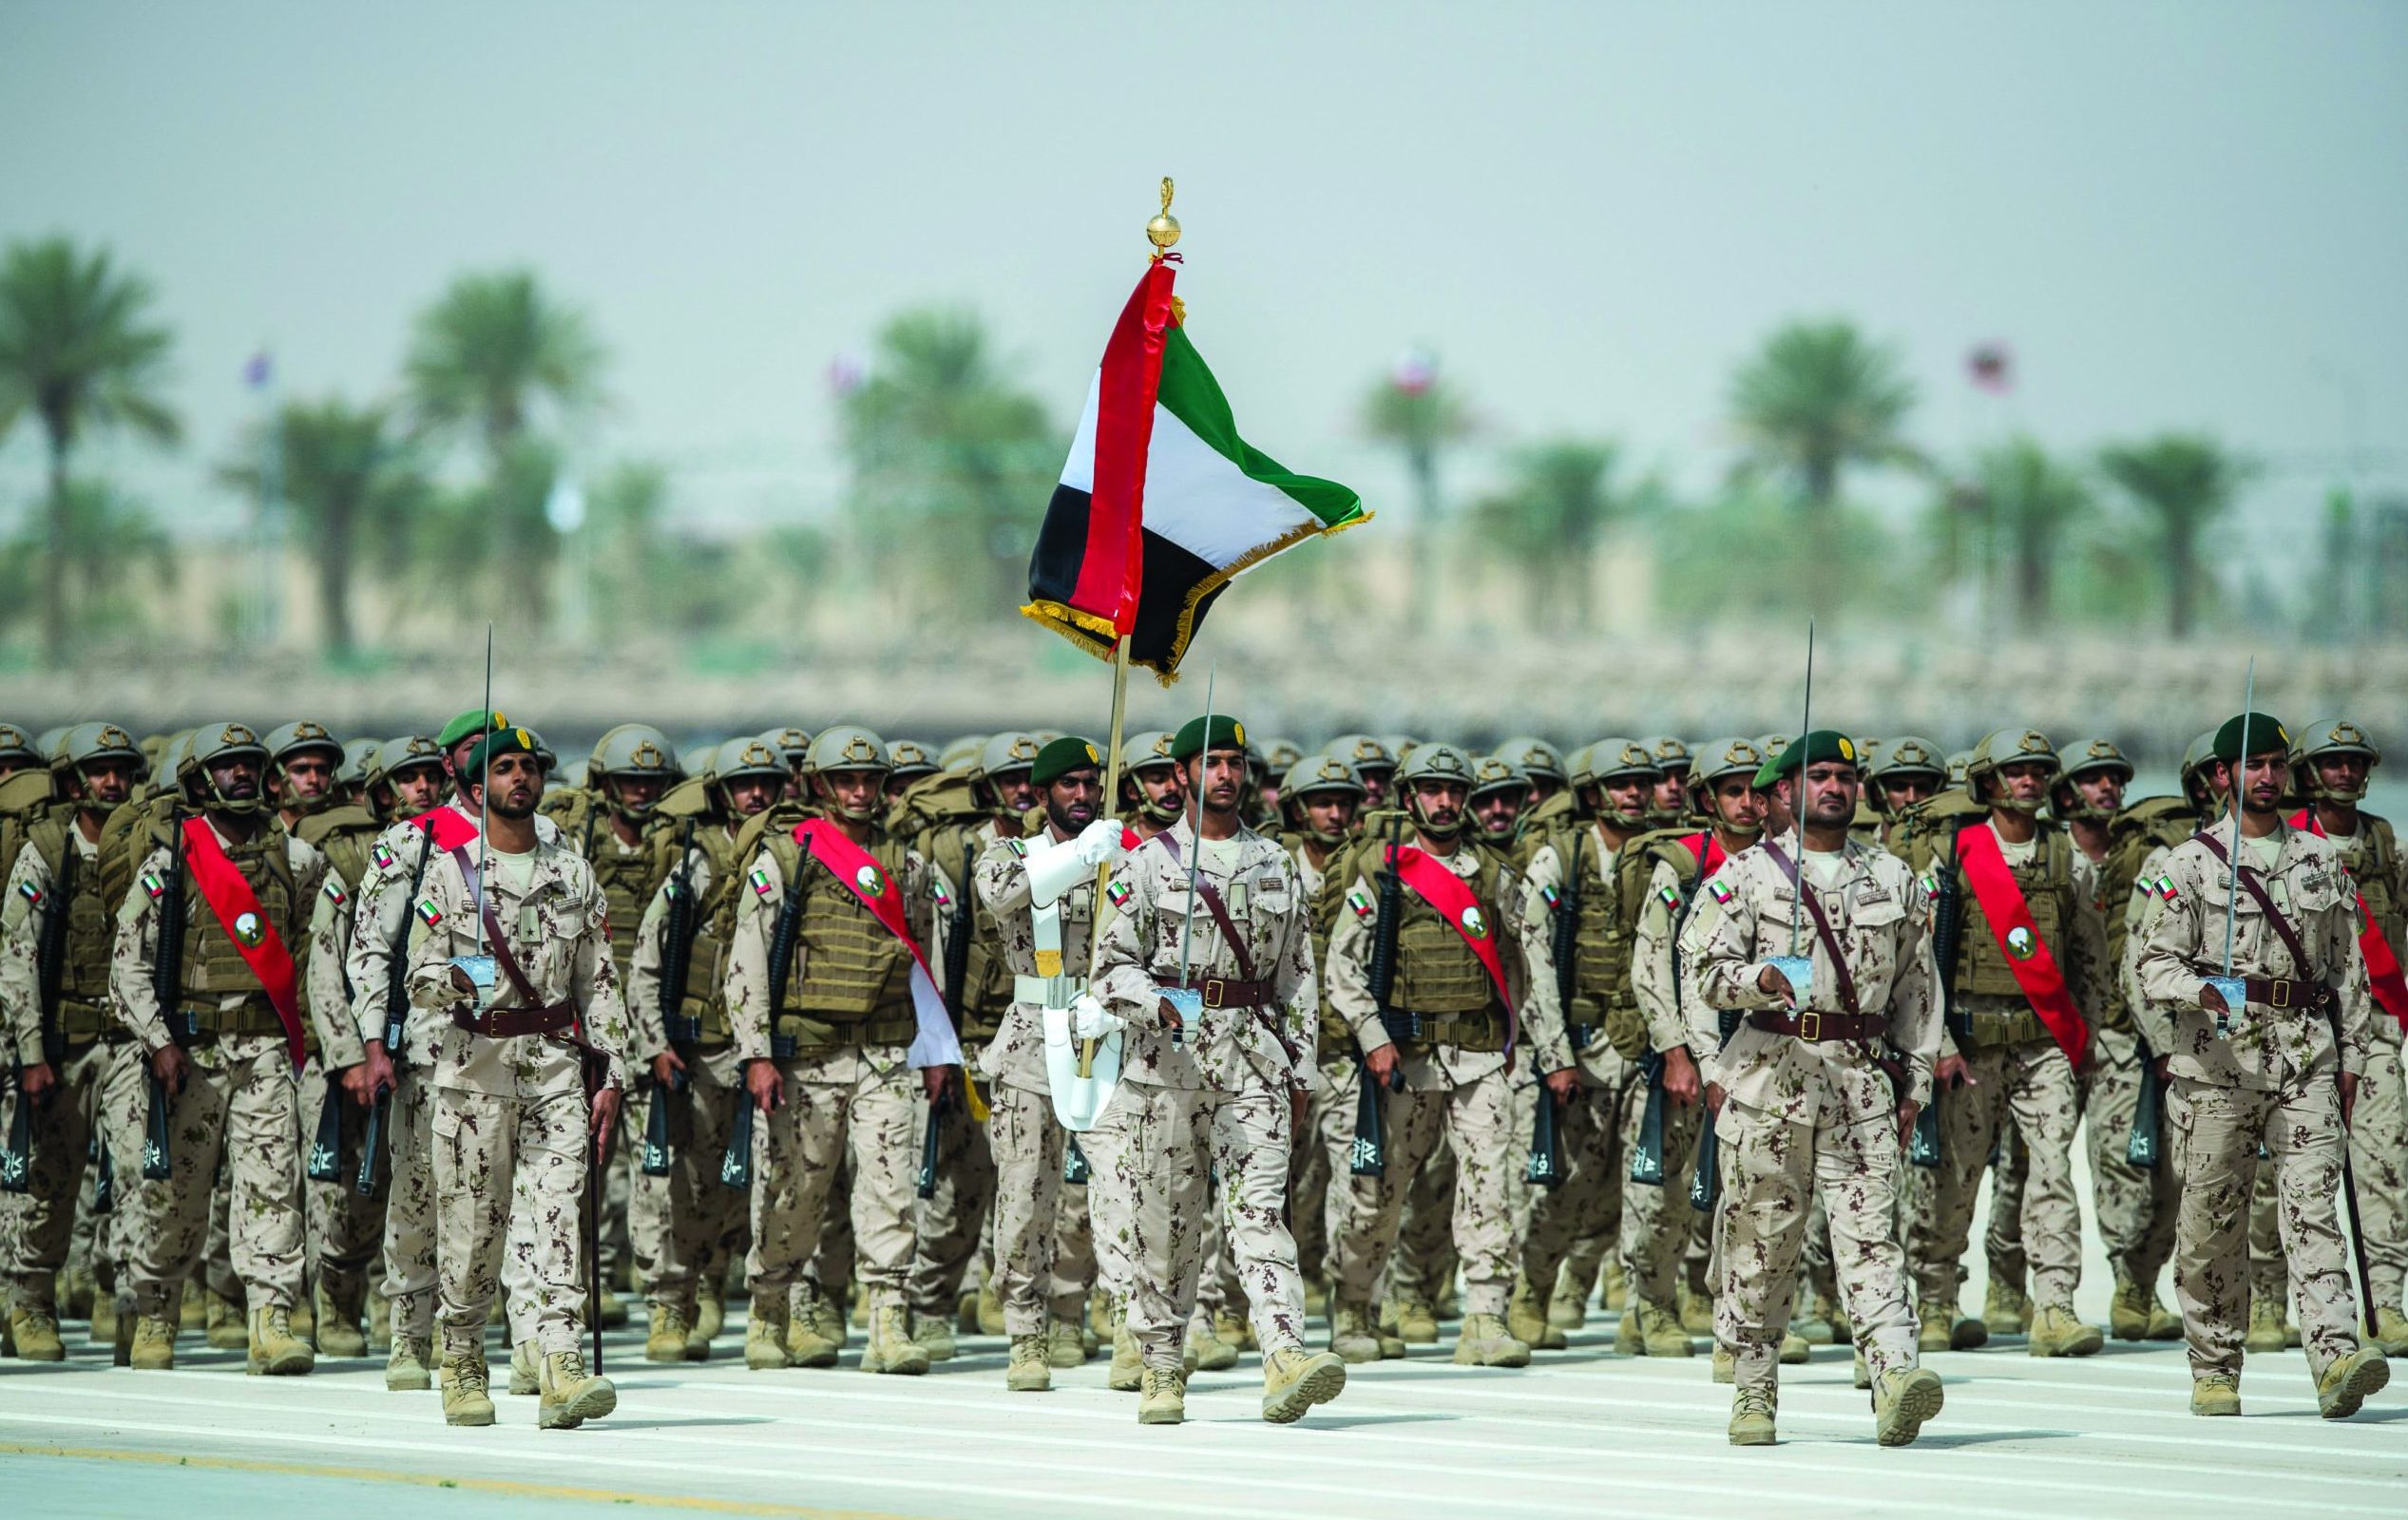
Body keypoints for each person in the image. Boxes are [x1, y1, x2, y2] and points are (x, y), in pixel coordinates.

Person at [1080, 712, 1347, 1426]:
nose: (1225, 774)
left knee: (1261, 1212)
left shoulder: (1275, 863)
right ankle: (1163, 1363)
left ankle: (1285, 1354)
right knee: (1167, 1222)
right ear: (1180, 776)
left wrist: (1300, 1072)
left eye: (1234, 762)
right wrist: (1156, 1002)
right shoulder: (1145, 864)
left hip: (1252, 1057)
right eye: (1210, 762)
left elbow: (1297, 977)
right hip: (1165, 1066)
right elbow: (1108, 971)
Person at [1681, 730, 1944, 1447]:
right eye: (1817, 775)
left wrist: (1915, 1078)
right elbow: (1700, 970)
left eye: (1844, 776)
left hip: (1859, 1083)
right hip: (1768, 1078)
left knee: (1872, 1241)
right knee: (1762, 1245)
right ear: (1783, 793)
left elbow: (1920, 989)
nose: (1834, 787)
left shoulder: (1894, 879)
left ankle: (1895, 1379)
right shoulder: (1743, 878)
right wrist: (1755, 981)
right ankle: (1754, 1391)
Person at [2131, 712, 2390, 1418]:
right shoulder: (2185, 865)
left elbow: (2348, 971)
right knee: (2213, 1220)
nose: (2268, 777)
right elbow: (2153, 963)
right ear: (2223, 777)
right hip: (2218, 1067)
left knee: (2313, 1209)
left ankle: (2336, 1354)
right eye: (2252, 766)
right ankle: (2215, 1367)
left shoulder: (2319, 859)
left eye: (2277, 765)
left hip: (2305, 1057)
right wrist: (2200, 988)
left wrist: (2355, 1056)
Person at [1323, 742, 1577, 1370]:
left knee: (1490, 1187)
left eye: (1453, 791)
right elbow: (1341, 968)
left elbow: (1534, 966)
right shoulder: (1382, 872)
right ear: (1409, 798)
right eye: (1432, 791)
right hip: (1404, 1063)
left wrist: (1553, 1053)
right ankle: (1356, 1305)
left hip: (1481, 1057)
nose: (1444, 802)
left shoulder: (1495, 875)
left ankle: (1486, 1317)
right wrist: (1374, 1038)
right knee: (1379, 1192)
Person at [403, 724, 627, 1428]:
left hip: (556, 1070)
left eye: (528, 768)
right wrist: (461, 980)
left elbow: (600, 980)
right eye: (503, 769)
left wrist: (613, 1070)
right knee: (473, 1229)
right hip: (474, 1074)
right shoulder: (449, 872)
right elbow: (418, 973)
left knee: (559, 1213)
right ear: (476, 790)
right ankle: (463, 1356)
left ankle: (561, 1364)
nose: (519, 779)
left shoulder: (574, 872)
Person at [725, 724, 960, 1377]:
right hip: (808, 1058)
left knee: (890, 1192)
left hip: (886, 1055)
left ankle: (888, 1322)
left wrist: (936, 1050)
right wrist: (756, 1054)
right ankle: (770, 1310)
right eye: (847, 781)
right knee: (794, 1192)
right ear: (821, 786)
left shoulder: (908, 866)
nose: (860, 792)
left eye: (871, 781)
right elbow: (748, 959)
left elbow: (927, 964)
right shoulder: (790, 859)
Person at [108, 722, 327, 1375]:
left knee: (271, 1187)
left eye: (249, 764)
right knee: (176, 1194)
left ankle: (272, 1319)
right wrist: (157, 1042)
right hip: (190, 1054)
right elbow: (129, 966)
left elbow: (319, 951)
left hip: (263, 1049)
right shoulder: (170, 860)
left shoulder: (296, 858)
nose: (240, 775)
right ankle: (154, 1315)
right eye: (226, 765)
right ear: (200, 779)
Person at [1900, 730, 2110, 1357]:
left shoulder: (2063, 857)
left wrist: (2085, 1040)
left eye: (2038, 772)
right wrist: (1935, 1045)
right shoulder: (1954, 856)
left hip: (2042, 1045)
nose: (2030, 781)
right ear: (1989, 782)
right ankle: (1935, 1300)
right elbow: (1921, 961)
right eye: (2016, 771)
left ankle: (2054, 1308)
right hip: (1968, 1045)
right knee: (1955, 1179)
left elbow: (2089, 958)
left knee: (2051, 1175)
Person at [1515, 739, 1684, 1356]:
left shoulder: (1665, 858)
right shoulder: (1560, 858)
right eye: (1622, 783)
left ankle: (1649, 1308)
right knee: (1568, 1186)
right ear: (1593, 794)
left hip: (1643, 1048)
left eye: (1642, 782)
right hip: (1581, 1051)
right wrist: (1555, 1054)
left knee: (1654, 1188)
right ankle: (1530, 1291)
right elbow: (1534, 960)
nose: (1636, 792)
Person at [970, 734, 1127, 1390]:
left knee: (1117, 1193)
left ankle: (1124, 1328)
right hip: (1034, 1039)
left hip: (1105, 1035)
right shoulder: (1007, 855)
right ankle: (1026, 1333)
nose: (1084, 795)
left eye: (1091, 784)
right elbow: (1006, 894)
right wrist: (1076, 859)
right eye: (1070, 785)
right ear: (1041, 795)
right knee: (1026, 1193)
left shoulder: (1120, 856)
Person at [624, 734, 787, 1362]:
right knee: (683, 1187)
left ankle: (764, 1308)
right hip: (700, 1053)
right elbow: (646, 964)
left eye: (767, 785)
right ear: (722, 793)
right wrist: (656, 1045)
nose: (756, 795)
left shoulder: (793, 856)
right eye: (745, 786)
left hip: (774, 1053)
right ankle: (673, 1303)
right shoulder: (697, 863)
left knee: (768, 1187)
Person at [0, 722, 143, 1360]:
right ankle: (30, 1302)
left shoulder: (145, 847)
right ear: (71, 780)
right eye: (98, 769)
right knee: (48, 1182)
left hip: (128, 1044)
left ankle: (130, 1303)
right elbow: (18, 958)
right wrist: (30, 1054)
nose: (111, 780)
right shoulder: (44, 851)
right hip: (60, 1047)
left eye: (119, 768)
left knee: (141, 1176)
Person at [2054, 737, 2188, 1341]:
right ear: (2066, 791)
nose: (2107, 788)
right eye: (2092, 779)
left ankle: (2135, 1288)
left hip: (2130, 1033)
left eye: (2114, 778)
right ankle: (2037, 1297)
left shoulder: (2144, 856)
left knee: (2152, 1172)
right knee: (2041, 1173)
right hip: (2063, 1033)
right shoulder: (2050, 856)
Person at [2284, 719, 2408, 1355]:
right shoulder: (2286, 845)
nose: (2347, 773)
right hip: (2304, 1032)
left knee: (2385, 1164)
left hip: (2378, 1029)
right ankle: (2301, 1302)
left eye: (2355, 763)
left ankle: (2386, 1304)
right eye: (2332, 764)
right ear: (2308, 773)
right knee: (2304, 1174)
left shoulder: (2384, 842)